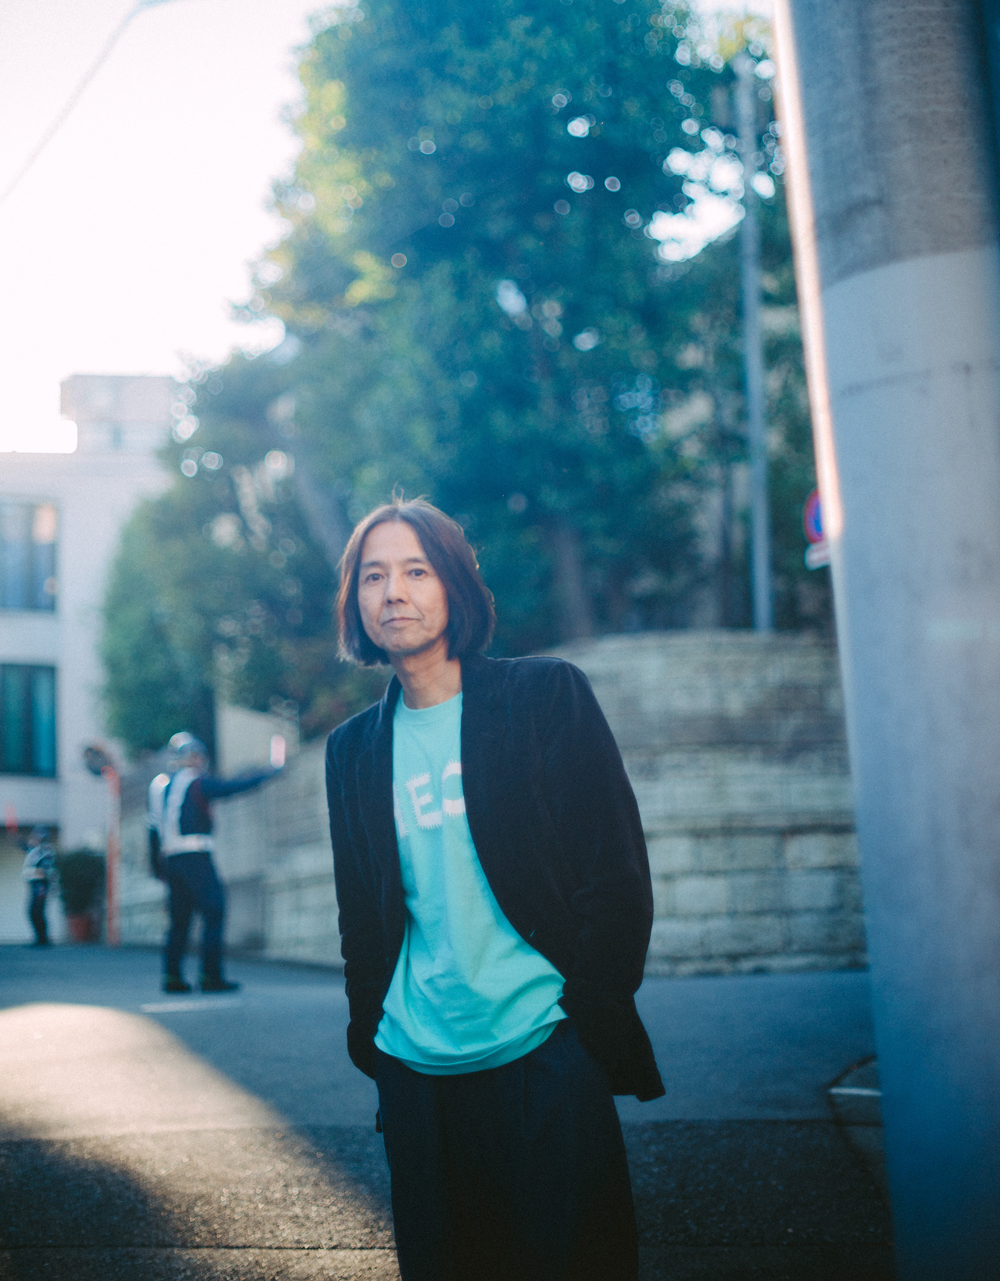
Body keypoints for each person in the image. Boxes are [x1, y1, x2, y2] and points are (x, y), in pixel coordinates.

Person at [325, 498, 664, 1281]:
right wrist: (369, 1034)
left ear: (454, 586)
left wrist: (585, 1014)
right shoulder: (352, 751)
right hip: (416, 1070)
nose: (393, 593)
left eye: (416, 570)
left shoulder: (545, 697)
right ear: (356, 602)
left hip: (543, 1050)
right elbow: (360, 916)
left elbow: (617, 875)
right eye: (373, 576)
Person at [148, 731, 284, 994]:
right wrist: (268, 773)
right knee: (214, 912)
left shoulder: (162, 787)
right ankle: (211, 976)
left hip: (171, 859)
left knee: (179, 921)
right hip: (196, 856)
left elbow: (152, 829)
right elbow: (231, 788)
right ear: (195, 757)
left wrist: (157, 867)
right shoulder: (196, 782)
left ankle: (172, 977)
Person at [20, 826, 56, 946]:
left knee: (37, 911)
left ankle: (43, 939)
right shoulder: (35, 849)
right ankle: (39, 938)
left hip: (40, 885)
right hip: (34, 884)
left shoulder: (45, 851)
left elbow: (44, 871)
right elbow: (26, 848)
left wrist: (31, 874)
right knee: (33, 911)